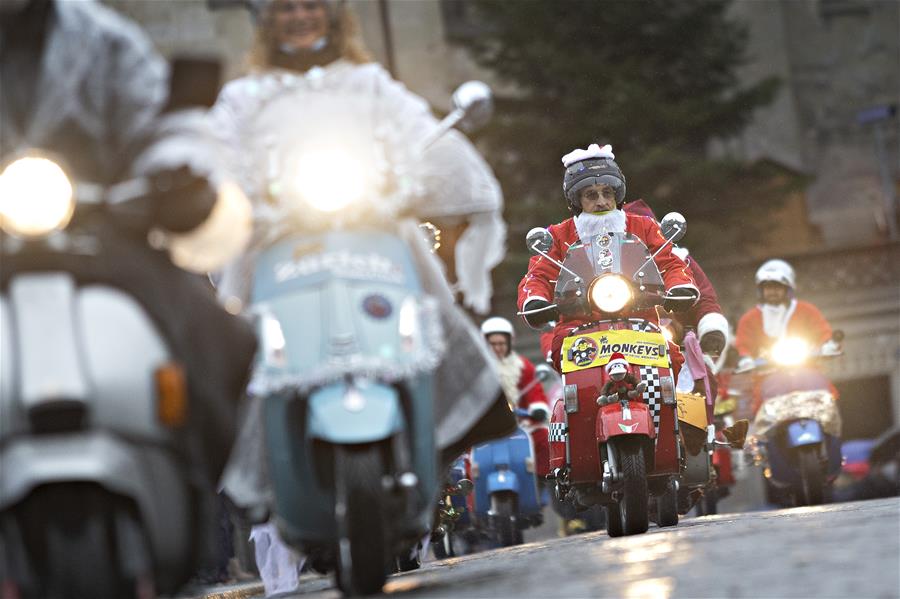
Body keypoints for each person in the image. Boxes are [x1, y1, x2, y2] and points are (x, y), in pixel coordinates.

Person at [0, 0, 256, 484]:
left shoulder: (103, 39)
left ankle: (196, 488)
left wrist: (177, 169)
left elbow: (165, 122)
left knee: (220, 336)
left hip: (103, 239)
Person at [517, 143, 699, 372]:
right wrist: (535, 301)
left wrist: (679, 286)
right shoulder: (558, 236)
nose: (601, 201)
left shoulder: (642, 226)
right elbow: (538, 275)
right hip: (578, 323)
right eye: (591, 195)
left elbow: (670, 261)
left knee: (671, 358)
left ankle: (663, 408)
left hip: (639, 318)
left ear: (617, 195)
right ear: (576, 200)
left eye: (607, 193)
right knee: (561, 355)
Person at [482, 316, 551, 475]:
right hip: (485, 426)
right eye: (493, 344)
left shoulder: (521, 365)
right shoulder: (478, 368)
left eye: (501, 344)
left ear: (509, 343)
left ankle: (542, 481)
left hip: (520, 423)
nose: (497, 348)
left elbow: (534, 391)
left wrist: (538, 408)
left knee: (544, 439)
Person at [734, 258, 833, 364]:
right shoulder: (749, 319)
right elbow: (742, 345)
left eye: (777, 288)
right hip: (764, 375)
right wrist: (745, 358)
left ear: (788, 289)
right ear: (761, 290)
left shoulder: (807, 310)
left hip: (806, 367)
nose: (772, 292)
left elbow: (823, 332)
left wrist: (827, 344)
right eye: (767, 288)